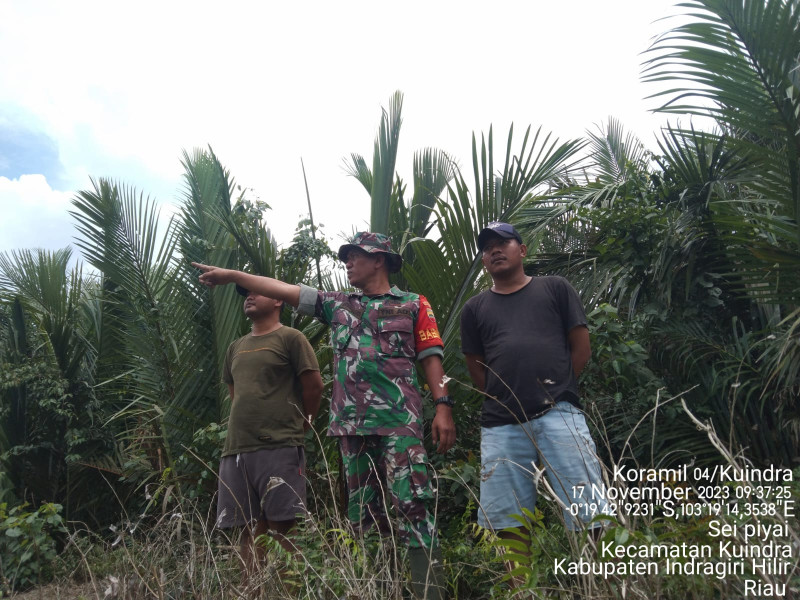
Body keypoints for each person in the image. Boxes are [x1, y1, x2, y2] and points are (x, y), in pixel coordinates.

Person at [193, 231, 455, 600]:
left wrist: (444, 404)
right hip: (351, 429)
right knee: (362, 516)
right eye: (345, 256)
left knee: (413, 504)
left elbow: (433, 360)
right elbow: (281, 289)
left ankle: (430, 592)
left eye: (354, 256)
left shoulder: (414, 304)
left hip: (401, 426)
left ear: (378, 259)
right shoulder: (336, 304)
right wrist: (233, 275)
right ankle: (376, 590)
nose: (347, 262)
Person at [460, 222, 608, 579]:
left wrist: (555, 390)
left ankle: (599, 582)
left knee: (588, 507)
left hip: (560, 412)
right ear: (483, 260)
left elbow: (581, 347)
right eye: (488, 247)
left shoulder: (555, 289)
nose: (495, 250)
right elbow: (477, 369)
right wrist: (505, 399)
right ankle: (521, 590)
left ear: (522, 250)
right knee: (508, 519)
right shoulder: (474, 309)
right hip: (501, 424)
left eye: (503, 242)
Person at [215, 284, 324, 586]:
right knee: (247, 529)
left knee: (284, 528)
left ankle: (290, 591)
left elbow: (314, 386)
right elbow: (235, 394)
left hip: (279, 445)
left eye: (255, 291)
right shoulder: (235, 347)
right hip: (236, 450)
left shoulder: (291, 338)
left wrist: (305, 423)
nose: (248, 296)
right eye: (244, 293)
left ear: (278, 299)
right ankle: (253, 591)